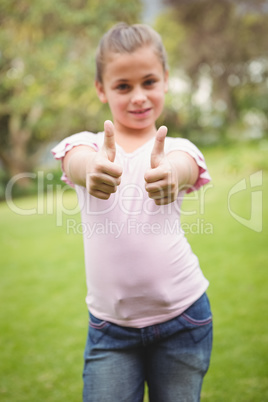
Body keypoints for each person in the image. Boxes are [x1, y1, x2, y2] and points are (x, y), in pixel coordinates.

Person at [52, 22, 213, 402]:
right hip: (111, 331)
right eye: (123, 86)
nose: (138, 96)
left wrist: (170, 175)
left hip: (184, 320)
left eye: (149, 82)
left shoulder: (179, 148)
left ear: (166, 80)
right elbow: (76, 160)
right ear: (101, 89)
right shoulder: (86, 145)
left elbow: (183, 166)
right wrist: (92, 170)